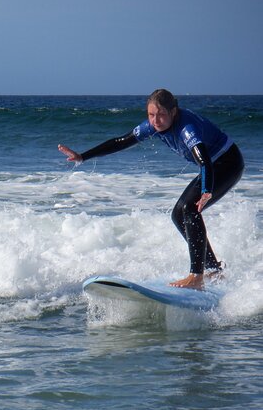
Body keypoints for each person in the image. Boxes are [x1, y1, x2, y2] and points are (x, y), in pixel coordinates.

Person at [58, 89, 244, 290]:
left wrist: (207, 190)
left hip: (227, 163)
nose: (156, 120)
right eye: (151, 115)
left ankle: (196, 277)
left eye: (161, 114)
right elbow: (121, 141)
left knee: (190, 209)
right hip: (214, 165)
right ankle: (214, 271)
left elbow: (204, 161)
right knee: (178, 215)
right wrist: (83, 156)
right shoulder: (154, 126)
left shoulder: (186, 129)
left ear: (173, 112)